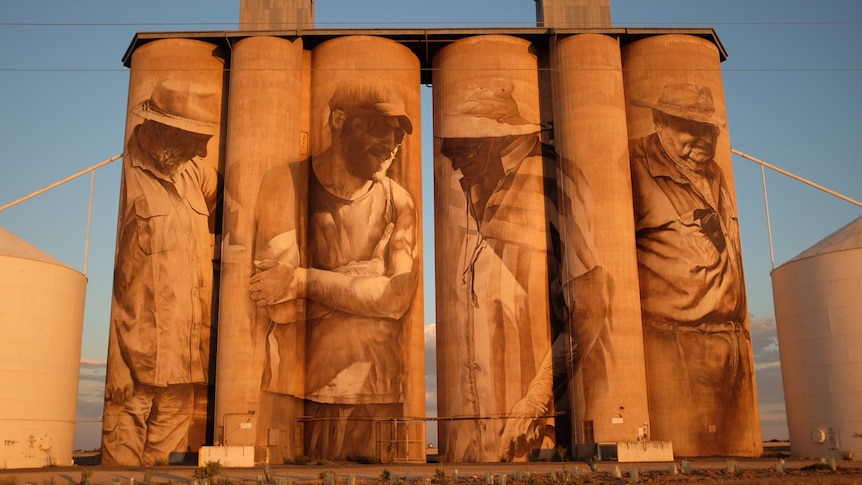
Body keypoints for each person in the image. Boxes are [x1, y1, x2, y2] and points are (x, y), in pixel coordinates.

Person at [436, 79, 610, 462]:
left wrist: (536, 400)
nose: (448, 154)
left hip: (539, 423)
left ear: (497, 139)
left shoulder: (552, 178)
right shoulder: (474, 190)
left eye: (461, 143)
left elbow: (591, 308)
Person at [249, 82, 420, 460]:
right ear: (339, 120)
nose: (391, 143)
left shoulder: (398, 201)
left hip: (379, 395)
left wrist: (302, 279)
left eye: (397, 135)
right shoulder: (286, 183)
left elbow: (396, 298)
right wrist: (371, 270)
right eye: (380, 128)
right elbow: (279, 306)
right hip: (299, 394)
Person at [628, 82, 757, 454]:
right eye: (690, 127)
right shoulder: (635, 166)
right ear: (659, 122)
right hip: (679, 348)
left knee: (734, 454)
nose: (702, 138)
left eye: (709, 129)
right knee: (688, 451)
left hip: (733, 345)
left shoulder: (715, 175)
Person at [102, 79, 221, 466]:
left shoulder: (190, 173)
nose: (203, 150)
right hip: (134, 371)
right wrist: (115, 364)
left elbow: (230, 186)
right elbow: (121, 280)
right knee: (121, 472)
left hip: (183, 367)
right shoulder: (129, 180)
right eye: (196, 139)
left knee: (156, 472)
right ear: (166, 130)